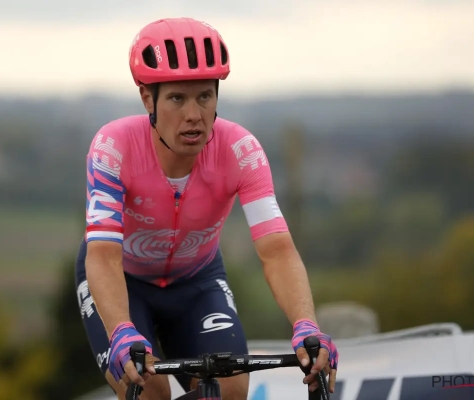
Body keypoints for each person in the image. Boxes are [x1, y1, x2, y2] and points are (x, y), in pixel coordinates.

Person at [75, 17, 339, 400]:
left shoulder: (240, 150)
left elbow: (277, 250)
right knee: (148, 391)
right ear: (148, 99)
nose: (194, 114)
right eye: (177, 98)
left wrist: (305, 325)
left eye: (204, 96)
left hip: (196, 281)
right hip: (123, 280)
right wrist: (120, 329)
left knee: (230, 389)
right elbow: (102, 255)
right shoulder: (114, 147)